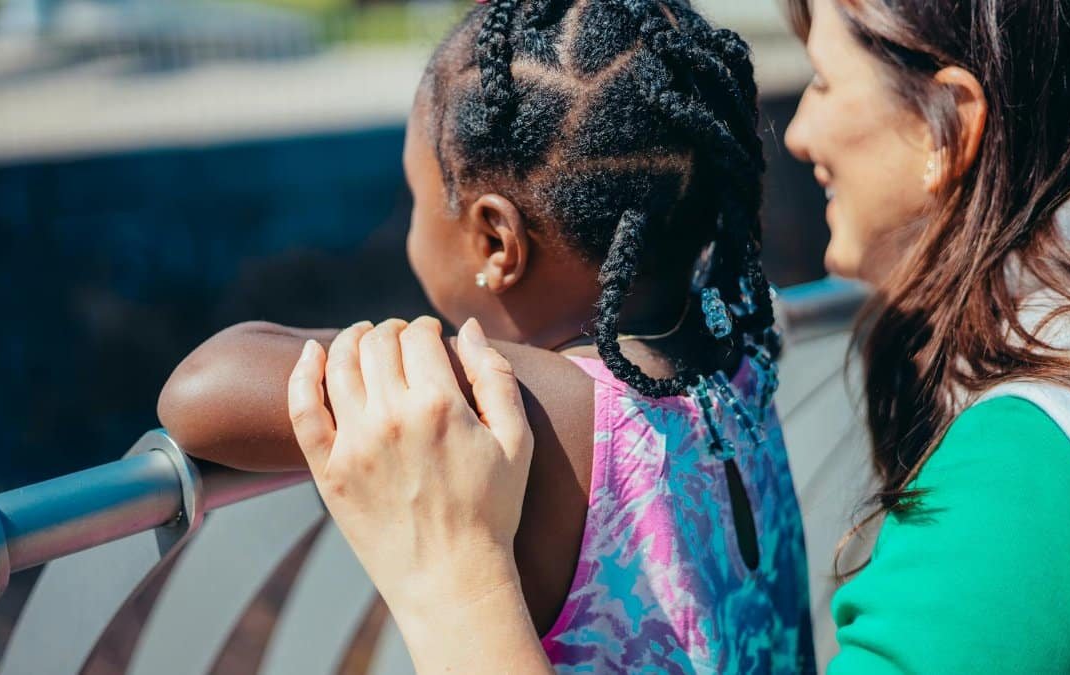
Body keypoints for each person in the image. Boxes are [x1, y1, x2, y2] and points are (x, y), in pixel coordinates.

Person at [284, 0, 1070, 672]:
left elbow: (205, 391)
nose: (796, 131)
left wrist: (452, 580)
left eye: (820, 81)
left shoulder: (1016, 486)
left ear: (947, 124)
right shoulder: (734, 370)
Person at [158, 0, 815, 671]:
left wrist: (419, 355)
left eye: (413, 202)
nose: (401, 235)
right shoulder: (737, 347)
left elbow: (200, 391)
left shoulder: (532, 411)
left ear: (496, 241)